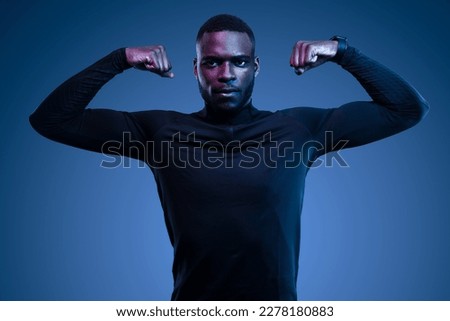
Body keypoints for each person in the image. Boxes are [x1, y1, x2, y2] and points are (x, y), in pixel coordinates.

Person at [29, 14, 429, 300]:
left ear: (255, 67)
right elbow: (51, 120)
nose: (226, 73)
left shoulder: (297, 129)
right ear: (196, 69)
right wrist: (119, 59)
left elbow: (407, 109)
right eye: (213, 62)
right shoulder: (158, 132)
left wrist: (343, 51)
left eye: (238, 62)